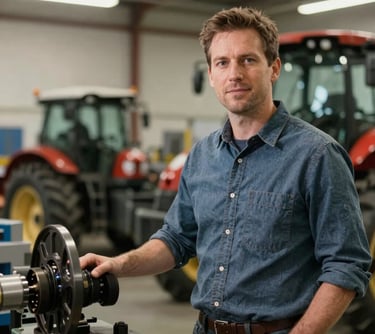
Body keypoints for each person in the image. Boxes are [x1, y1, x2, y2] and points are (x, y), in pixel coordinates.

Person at [80, 7, 372, 334]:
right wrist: (117, 264)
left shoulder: (318, 156)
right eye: (222, 62)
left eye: (247, 60)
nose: (234, 73)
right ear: (210, 75)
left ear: (273, 68)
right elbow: (176, 239)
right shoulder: (202, 156)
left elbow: (347, 264)